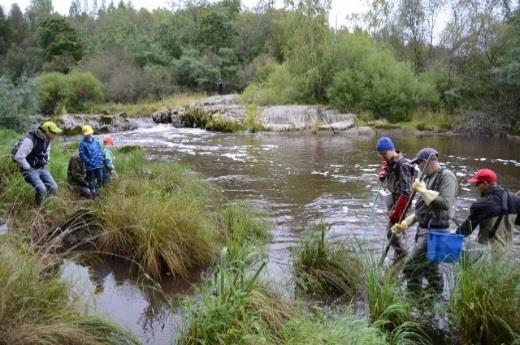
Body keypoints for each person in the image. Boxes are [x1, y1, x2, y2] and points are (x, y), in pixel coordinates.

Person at [391, 148, 458, 294]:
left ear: (425, 162)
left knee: (410, 267)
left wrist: (423, 191)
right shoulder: (427, 178)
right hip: (424, 230)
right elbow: (421, 209)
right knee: (430, 269)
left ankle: (415, 297)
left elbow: (445, 203)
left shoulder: (446, 176)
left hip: (435, 232)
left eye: (419, 164)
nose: (418, 168)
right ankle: (430, 299)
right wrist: (406, 223)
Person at [457, 168, 520, 257]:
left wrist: (451, 237)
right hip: (506, 253)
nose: (476, 187)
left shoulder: (481, 204)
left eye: (478, 184)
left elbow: (465, 231)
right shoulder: (515, 199)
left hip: (485, 254)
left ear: (485, 184)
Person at [376, 137, 414, 266]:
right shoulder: (391, 162)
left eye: (384, 154)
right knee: (399, 234)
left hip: (401, 205)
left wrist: (397, 212)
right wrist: (384, 174)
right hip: (393, 202)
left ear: (390, 150)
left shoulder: (402, 164)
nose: (382, 157)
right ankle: (398, 261)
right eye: (381, 155)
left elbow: (406, 191)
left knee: (391, 232)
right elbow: (392, 181)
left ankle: (404, 256)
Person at [12, 121, 62, 206]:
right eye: (53, 132)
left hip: (42, 167)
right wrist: (28, 167)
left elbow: (47, 151)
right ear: (46, 131)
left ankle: (46, 206)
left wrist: (46, 161)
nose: (55, 134)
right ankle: (38, 209)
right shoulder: (30, 140)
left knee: (54, 188)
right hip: (29, 169)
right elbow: (19, 157)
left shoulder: (48, 139)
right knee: (42, 189)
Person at [79, 125, 104, 199]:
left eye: (90, 133)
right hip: (90, 167)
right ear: (84, 135)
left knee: (100, 178)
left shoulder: (96, 141)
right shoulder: (83, 143)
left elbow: (100, 150)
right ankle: (93, 194)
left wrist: (101, 157)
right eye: (87, 134)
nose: (89, 135)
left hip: (99, 164)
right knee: (91, 180)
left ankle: (99, 190)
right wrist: (88, 161)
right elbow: (82, 154)